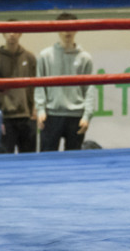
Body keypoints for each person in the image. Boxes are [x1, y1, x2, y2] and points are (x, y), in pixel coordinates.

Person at [34, 13, 97, 152]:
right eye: (63, 27)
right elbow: (39, 84)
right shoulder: (45, 56)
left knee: (74, 162)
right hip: (51, 115)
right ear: (56, 29)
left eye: (71, 27)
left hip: (76, 116)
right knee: (47, 161)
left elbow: (90, 89)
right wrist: (40, 110)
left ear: (77, 29)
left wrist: (87, 115)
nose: (67, 31)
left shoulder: (85, 58)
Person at [0, 24, 37, 154]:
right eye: (8, 31)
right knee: (5, 159)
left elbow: (35, 85)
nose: (12, 34)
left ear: (20, 34)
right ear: (3, 34)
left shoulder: (29, 57)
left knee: (29, 159)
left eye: (15, 31)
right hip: (5, 116)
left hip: (26, 115)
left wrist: (34, 108)